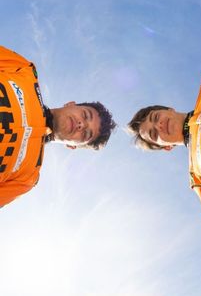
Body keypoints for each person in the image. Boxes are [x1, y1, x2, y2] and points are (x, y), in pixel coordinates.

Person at [128, 45, 201, 253]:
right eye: (153, 134)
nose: (159, 126)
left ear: (168, 109)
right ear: (165, 147)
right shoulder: (197, 176)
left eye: (155, 117)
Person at [0, 45, 116, 207]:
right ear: (71, 104)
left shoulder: (26, 179)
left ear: (72, 146)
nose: (81, 124)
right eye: (85, 115)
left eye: (86, 134)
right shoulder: (24, 70)